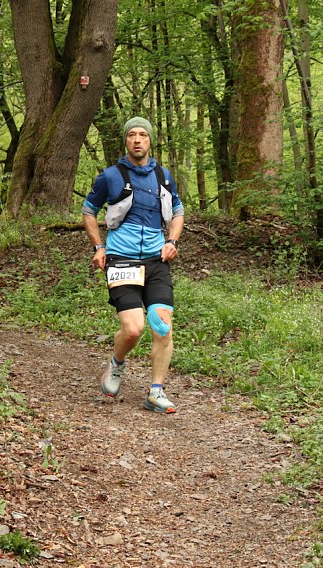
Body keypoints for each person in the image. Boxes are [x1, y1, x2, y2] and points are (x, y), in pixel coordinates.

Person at [82, 116, 184, 413]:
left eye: (143, 135)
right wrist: (99, 246)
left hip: (156, 259)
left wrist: (173, 241)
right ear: (125, 141)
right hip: (121, 259)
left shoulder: (163, 176)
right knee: (133, 329)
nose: (137, 140)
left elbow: (177, 211)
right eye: (132, 136)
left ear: (150, 141)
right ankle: (116, 363)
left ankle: (156, 391)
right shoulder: (110, 176)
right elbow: (89, 211)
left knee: (162, 326)